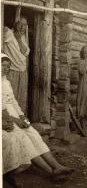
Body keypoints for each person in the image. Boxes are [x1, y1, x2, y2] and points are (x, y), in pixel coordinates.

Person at [1, 53, 74, 188]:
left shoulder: (6, 82)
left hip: (12, 115)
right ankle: (51, 171)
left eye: (8, 66)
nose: (5, 68)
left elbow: (13, 102)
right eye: (2, 65)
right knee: (25, 140)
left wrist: (22, 116)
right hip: (4, 118)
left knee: (33, 134)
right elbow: (3, 110)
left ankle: (56, 166)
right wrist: (16, 120)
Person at [3, 16, 30, 113]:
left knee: (21, 100)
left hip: (22, 72)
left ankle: (20, 122)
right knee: (10, 99)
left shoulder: (22, 37)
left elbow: (26, 52)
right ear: (15, 23)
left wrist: (18, 39)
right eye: (21, 24)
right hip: (12, 72)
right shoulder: (9, 32)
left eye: (25, 24)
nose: (23, 27)